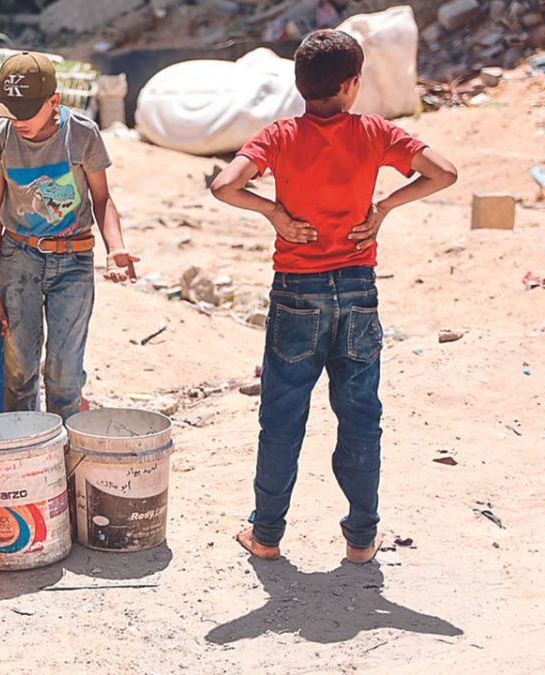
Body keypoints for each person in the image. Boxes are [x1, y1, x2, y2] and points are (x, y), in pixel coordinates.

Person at [211, 30, 458, 563]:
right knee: (360, 415)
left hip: (296, 291)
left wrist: (275, 213)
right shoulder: (373, 131)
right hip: (357, 288)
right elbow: (444, 172)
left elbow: (225, 186)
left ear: (299, 85)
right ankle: (362, 540)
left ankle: (267, 535)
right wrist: (385, 206)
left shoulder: (279, 135)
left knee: (282, 417)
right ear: (352, 85)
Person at [0, 51, 138, 420]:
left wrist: (116, 248)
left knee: (64, 376)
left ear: (54, 101)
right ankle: (23, 453)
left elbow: (102, 198)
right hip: (18, 259)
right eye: (11, 110)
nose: (17, 121)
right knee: (19, 371)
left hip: (74, 262)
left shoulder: (82, 134)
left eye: (27, 110)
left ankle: (62, 459)